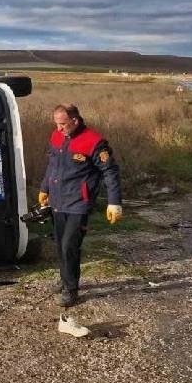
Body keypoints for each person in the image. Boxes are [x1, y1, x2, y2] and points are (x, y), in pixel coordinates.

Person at [39, 104, 122, 307]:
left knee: (69, 245)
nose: (59, 128)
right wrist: (44, 188)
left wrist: (114, 202)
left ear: (75, 121)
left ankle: (71, 289)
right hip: (58, 201)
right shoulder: (57, 136)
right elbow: (52, 166)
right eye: (56, 124)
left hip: (79, 203)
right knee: (60, 244)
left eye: (63, 124)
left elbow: (110, 172)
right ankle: (64, 278)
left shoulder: (94, 142)